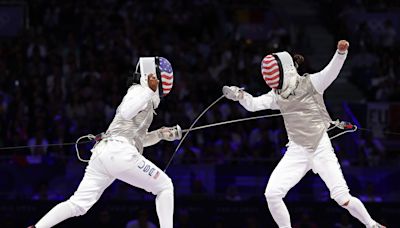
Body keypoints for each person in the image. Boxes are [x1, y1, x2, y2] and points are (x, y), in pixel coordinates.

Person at [223, 40, 385, 228]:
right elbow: (254, 105)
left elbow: (331, 71)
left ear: (285, 71)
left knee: (342, 197)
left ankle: (372, 225)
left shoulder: (312, 83)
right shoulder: (277, 95)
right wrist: (241, 96)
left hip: (320, 148)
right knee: (272, 194)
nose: (274, 85)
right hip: (297, 150)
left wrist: (341, 53)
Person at [29, 57, 181, 228]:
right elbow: (125, 112)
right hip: (118, 151)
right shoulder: (139, 91)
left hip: (106, 154)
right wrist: (148, 91)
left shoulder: (144, 100)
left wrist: (160, 134)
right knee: (165, 186)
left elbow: (139, 139)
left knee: (78, 204)